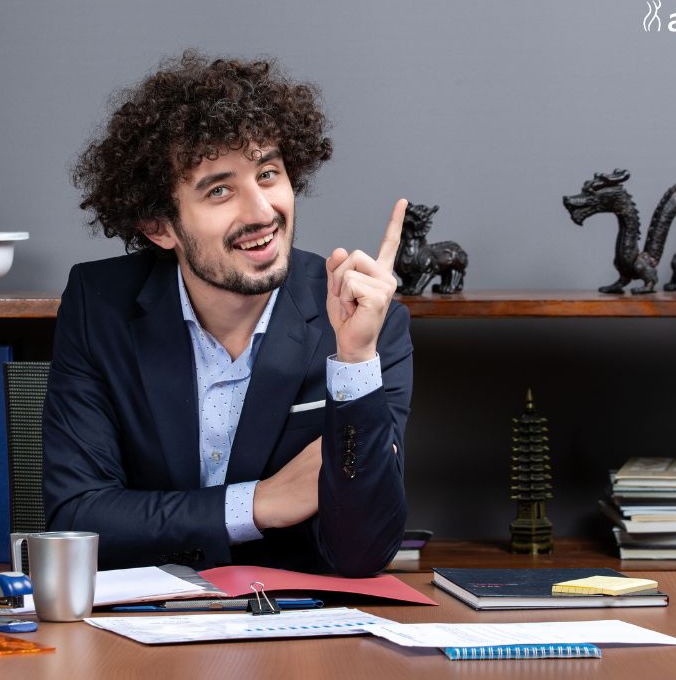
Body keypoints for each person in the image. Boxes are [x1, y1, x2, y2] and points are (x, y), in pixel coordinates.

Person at [42, 51, 413, 577]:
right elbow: (76, 522)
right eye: (220, 190)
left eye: (268, 173)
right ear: (159, 227)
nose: (261, 211)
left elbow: (362, 552)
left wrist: (353, 360)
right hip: (138, 632)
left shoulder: (366, 320)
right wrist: (258, 503)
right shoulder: (98, 304)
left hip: (301, 637)